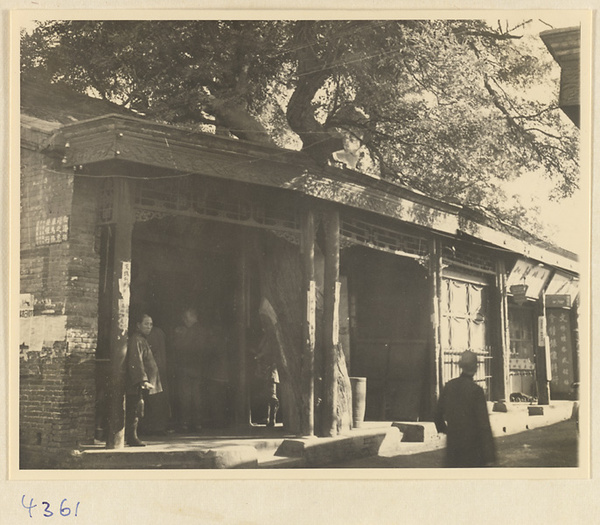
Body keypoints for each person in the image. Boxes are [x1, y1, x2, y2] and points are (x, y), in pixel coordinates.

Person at [435, 350, 496, 467]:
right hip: (473, 450)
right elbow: (484, 425)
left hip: (453, 448)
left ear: (461, 366)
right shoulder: (476, 391)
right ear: (476, 368)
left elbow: (437, 415)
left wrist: (449, 431)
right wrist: (490, 455)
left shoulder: (449, 386)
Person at [126, 313, 163, 447]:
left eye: (151, 324)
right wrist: (142, 380)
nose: (149, 327)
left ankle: (134, 436)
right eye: (146, 324)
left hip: (143, 382)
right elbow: (136, 361)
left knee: (138, 408)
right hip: (138, 383)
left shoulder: (142, 339)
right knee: (135, 408)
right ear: (138, 325)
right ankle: (132, 437)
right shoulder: (136, 340)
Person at [172, 307, 210, 432]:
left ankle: (186, 423)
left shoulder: (190, 331)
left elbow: (179, 347)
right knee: (195, 396)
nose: (184, 320)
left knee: (187, 396)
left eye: (187, 317)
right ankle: (196, 423)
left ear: (194, 318)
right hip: (197, 368)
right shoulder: (201, 331)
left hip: (187, 367)